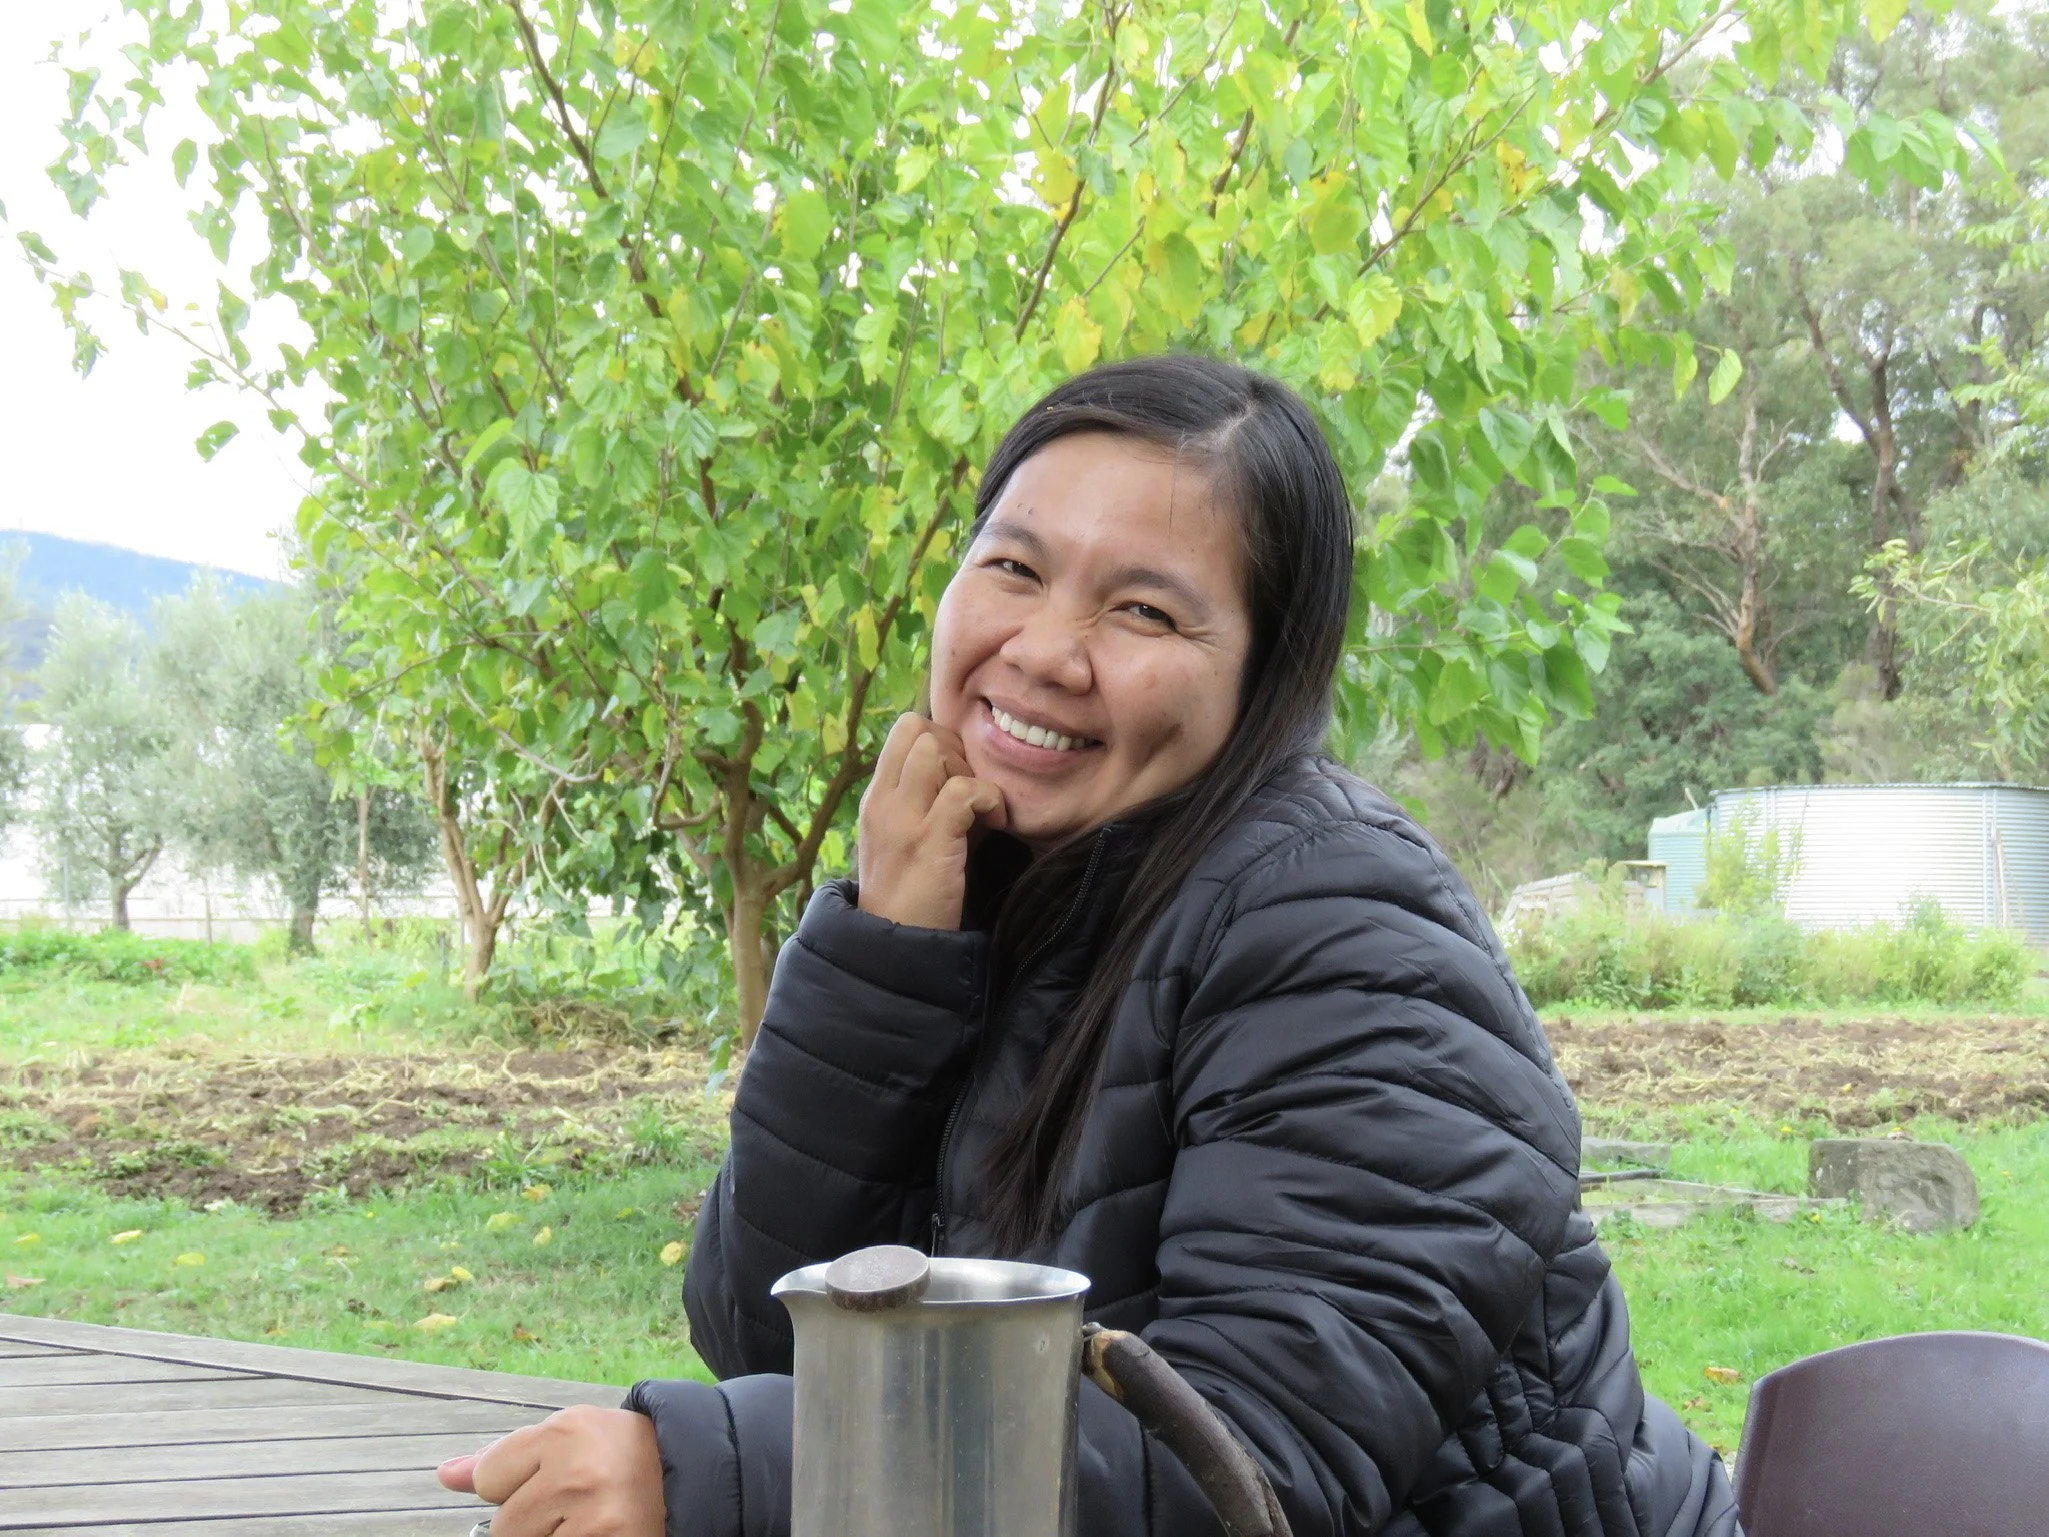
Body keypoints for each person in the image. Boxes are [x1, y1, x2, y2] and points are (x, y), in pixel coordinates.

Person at [437, 356, 1739, 1537]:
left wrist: (726, 1477)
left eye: (1146, 614)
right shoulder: (1003, 883)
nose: (1046, 652)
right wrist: (884, 954)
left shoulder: (1342, 921)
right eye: (1012, 569)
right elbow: (761, 1332)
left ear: (1262, 676)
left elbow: (1253, 1468)